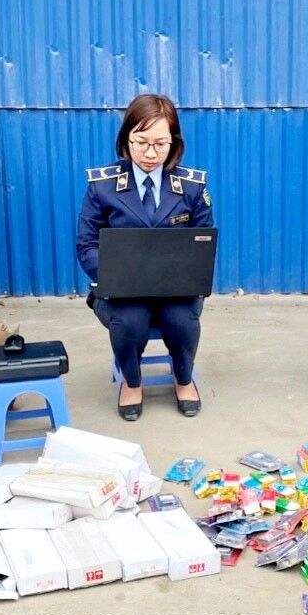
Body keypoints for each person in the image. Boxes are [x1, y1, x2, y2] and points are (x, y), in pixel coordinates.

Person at [76, 94, 213, 421]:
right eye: (140, 142)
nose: (150, 154)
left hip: (175, 290)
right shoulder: (103, 186)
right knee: (131, 321)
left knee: (181, 320)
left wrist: (188, 273)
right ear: (126, 139)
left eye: (160, 144)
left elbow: (204, 241)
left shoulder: (191, 187)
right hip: (121, 292)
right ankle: (132, 382)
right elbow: (86, 244)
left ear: (173, 143)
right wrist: (112, 275)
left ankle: (183, 379)